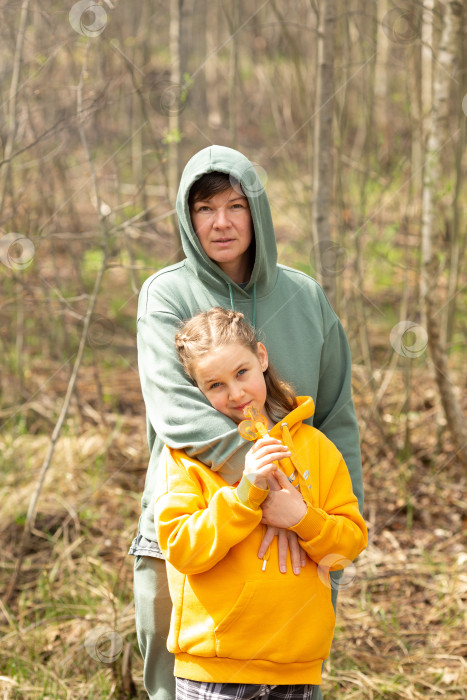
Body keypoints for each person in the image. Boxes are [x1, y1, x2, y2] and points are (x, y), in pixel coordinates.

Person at [130, 145, 364, 700]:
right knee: (176, 685)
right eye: (205, 209)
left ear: (256, 210)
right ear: (187, 219)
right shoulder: (166, 294)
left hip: (297, 538)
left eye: (235, 205)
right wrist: (270, 490)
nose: (222, 222)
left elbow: (336, 417)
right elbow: (176, 411)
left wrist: (314, 519)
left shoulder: (304, 297)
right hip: (194, 531)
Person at [154, 307, 368, 699]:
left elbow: (349, 543)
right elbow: (182, 549)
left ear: (262, 358)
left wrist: (302, 519)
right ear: (197, 390)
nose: (235, 393)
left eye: (241, 373)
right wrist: (244, 494)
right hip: (215, 669)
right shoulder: (187, 457)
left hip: (296, 668)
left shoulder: (316, 447)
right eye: (215, 385)